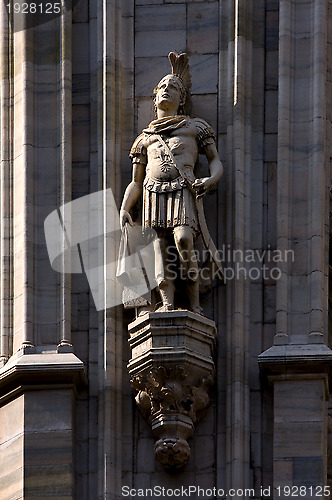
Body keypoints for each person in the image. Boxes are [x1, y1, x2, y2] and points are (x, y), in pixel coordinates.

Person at [120, 52, 223, 313]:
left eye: (173, 87)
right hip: (152, 194)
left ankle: (195, 301)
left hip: (182, 192)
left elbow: (215, 161)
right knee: (159, 250)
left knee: (184, 240)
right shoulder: (145, 138)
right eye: (163, 87)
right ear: (155, 98)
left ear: (182, 99)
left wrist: (210, 180)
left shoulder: (195, 127)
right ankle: (166, 302)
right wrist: (124, 207)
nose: (167, 90)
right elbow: (135, 181)